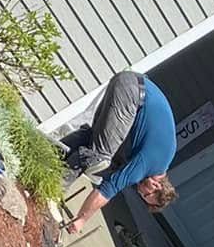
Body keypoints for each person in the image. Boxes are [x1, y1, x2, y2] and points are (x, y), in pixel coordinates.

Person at [61, 71, 178, 234]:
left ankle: (47, 159)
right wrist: (81, 220)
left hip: (132, 85)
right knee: (98, 157)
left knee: (92, 140)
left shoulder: (162, 158)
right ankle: (53, 188)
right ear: (156, 185)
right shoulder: (149, 166)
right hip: (134, 94)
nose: (140, 192)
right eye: (146, 194)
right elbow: (107, 190)